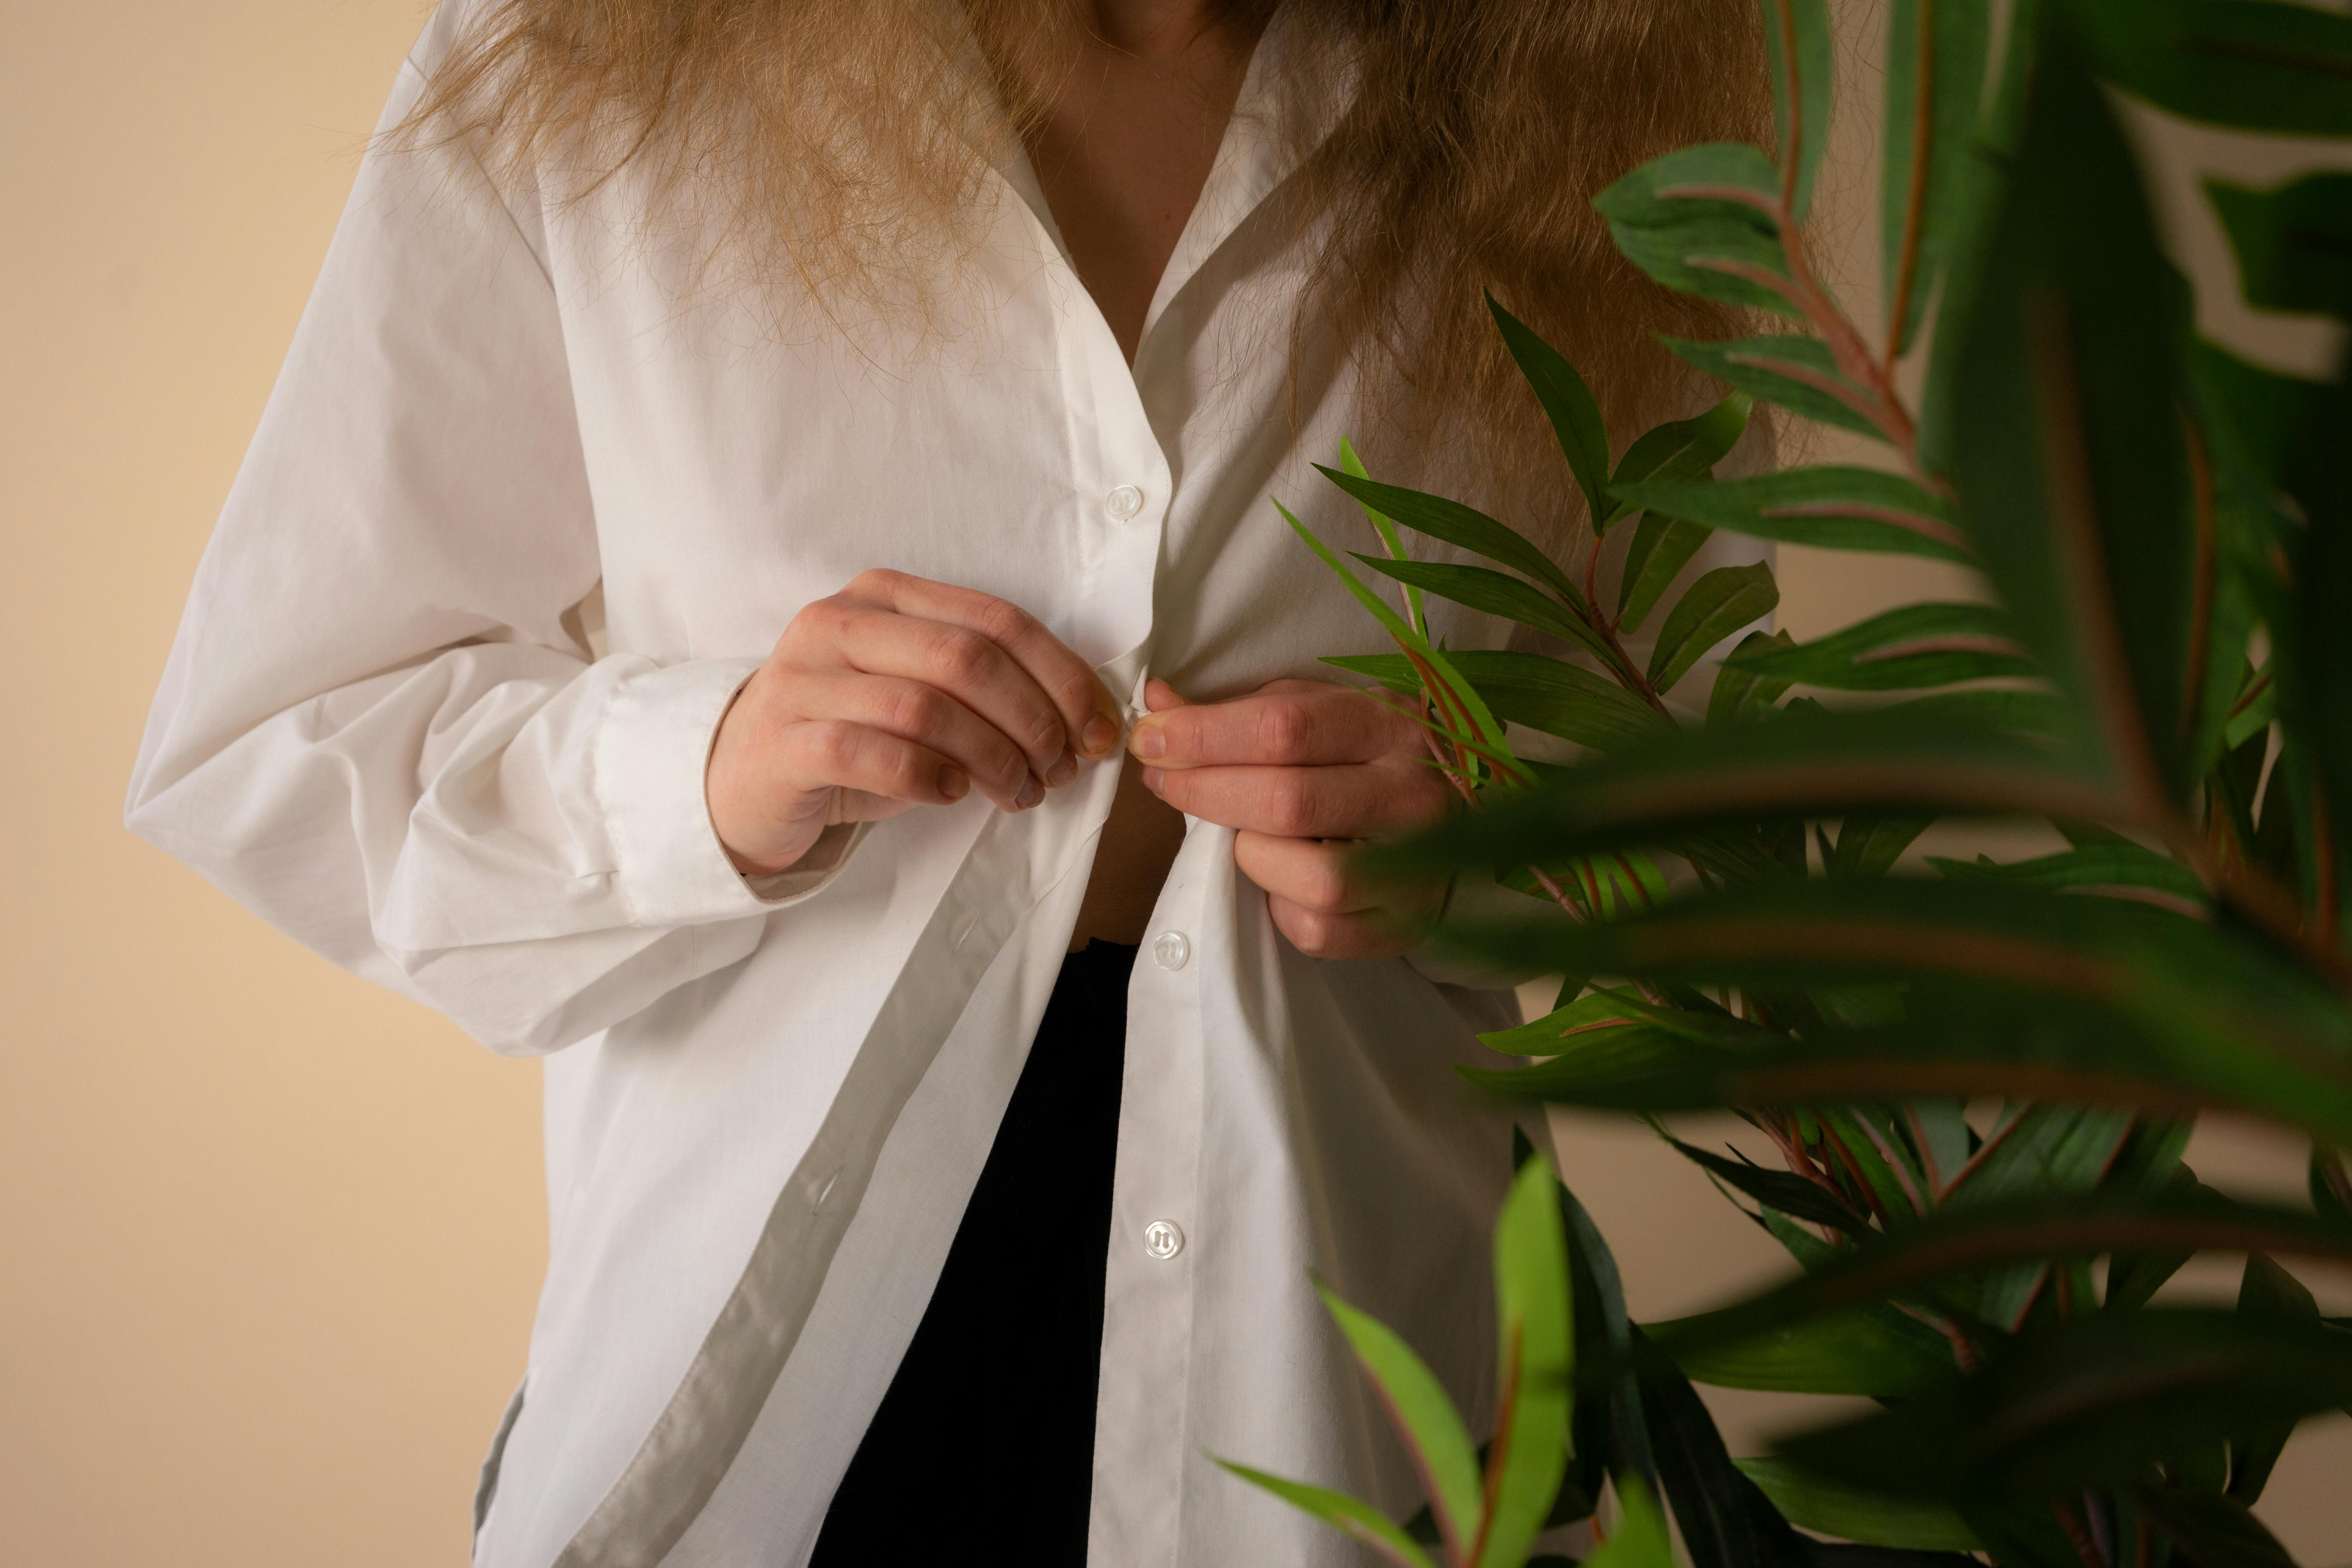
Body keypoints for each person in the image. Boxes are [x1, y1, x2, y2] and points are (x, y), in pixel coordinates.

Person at [128, 1, 1768, 1563]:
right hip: (764, 1376)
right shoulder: (589, 52)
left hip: (1345, 1372)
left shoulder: (1612, 101)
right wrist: (706, 772)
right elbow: (288, 727)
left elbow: (1740, 785)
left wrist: (1511, 829)